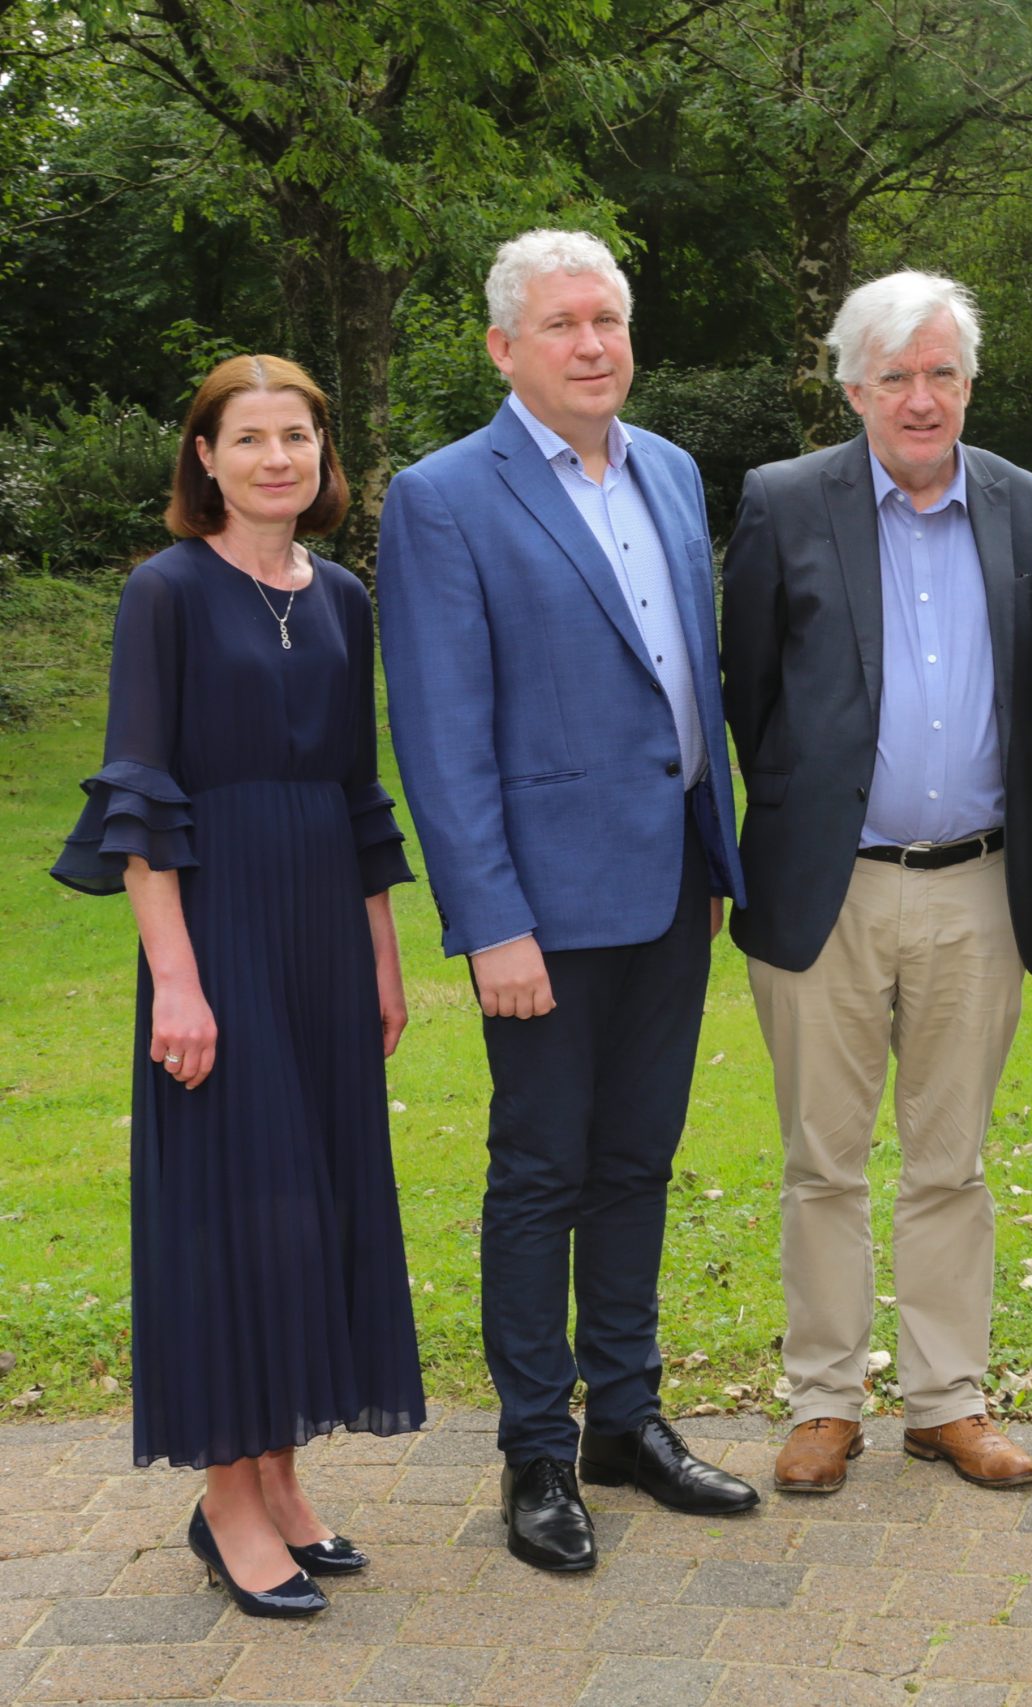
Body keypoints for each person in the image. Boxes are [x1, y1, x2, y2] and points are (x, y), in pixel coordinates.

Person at [376, 230, 755, 1573]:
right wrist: (491, 921)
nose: (594, 344)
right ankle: (539, 1449)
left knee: (639, 1161)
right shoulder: (442, 496)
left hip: (672, 886)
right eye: (562, 324)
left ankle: (627, 1418)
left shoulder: (668, 466)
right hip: (541, 908)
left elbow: (684, 681)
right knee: (541, 1172)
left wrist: (711, 851)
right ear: (503, 348)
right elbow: (440, 729)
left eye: (609, 319)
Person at [52, 355, 424, 1618]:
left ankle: (281, 1473)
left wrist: (380, 956)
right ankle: (225, 1499)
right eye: (249, 437)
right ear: (202, 458)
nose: (278, 458)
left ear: (325, 456)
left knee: (313, 1196)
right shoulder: (162, 593)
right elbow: (139, 805)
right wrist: (177, 984)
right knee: (233, 1203)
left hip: (326, 926)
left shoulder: (343, 598)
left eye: (298, 436)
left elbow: (359, 792)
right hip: (218, 927)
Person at [721, 271, 1032, 1495]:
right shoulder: (784, 502)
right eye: (895, 376)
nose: (920, 399)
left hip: (980, 883)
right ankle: (823, 1403)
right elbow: (746, 693)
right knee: (822, 1160)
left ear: (969, 384)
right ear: (853, 386)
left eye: (942, 374)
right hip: (829, 887)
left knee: (949, 1162)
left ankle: (945, 1402)